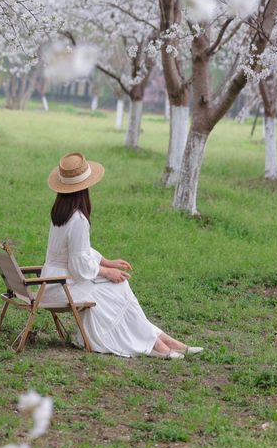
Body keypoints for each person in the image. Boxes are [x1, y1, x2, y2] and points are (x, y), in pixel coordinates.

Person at [41, 152, 204, 359]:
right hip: (62, 286)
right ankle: (159, 346)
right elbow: (79, 265)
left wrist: (104, 262)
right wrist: (106, 272)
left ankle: (165, 343)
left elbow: (76, 252)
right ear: (85, 188)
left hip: (53, 282)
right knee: (118, 290)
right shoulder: (78, 218)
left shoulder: (60, 212)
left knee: (119, 290)